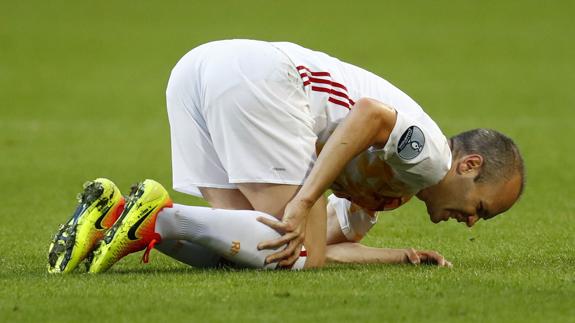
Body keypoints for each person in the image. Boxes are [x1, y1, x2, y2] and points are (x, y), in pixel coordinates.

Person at [47, 40, 524, 273]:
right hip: (262, 78)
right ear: (470, 166)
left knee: (247, 252)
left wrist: (400, 256)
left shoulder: (394, 186)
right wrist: (305, 198)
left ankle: (119, 216)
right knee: (294, 250)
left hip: (199, 69)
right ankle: (158, 219)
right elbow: (371, 115)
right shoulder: (432, 156)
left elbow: (324, 246)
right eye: (480, 208)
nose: (471, 222)